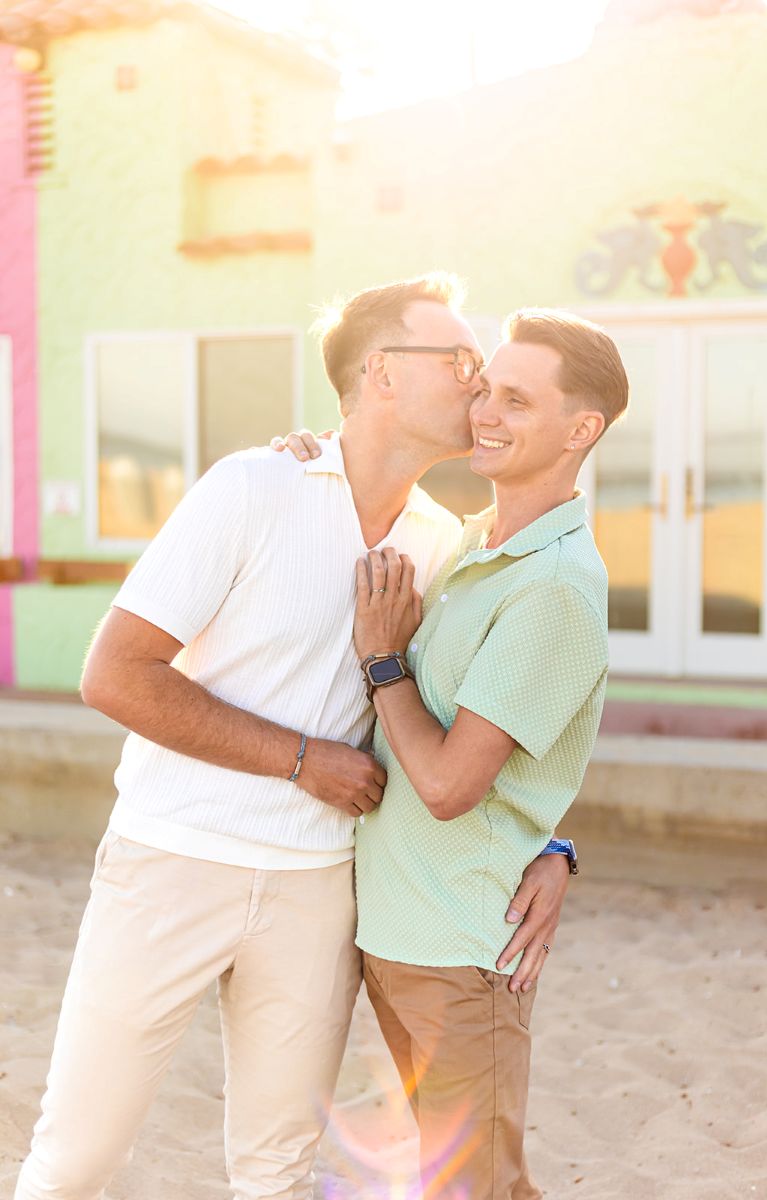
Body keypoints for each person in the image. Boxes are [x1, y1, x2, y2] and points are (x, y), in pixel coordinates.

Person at [14, 274, 571, 1200]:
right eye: (462, 362)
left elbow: (506, 710)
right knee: (78, 1156)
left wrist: (553, 843)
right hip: (170, 861)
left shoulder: (448, 546)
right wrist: (303, 760)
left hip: (321, 889)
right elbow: (114, 674)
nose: (479, 386)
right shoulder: (252, 488)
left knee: (274, 1171)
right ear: (382, 373)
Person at [281, 307, 628, 1198]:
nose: (484, 410)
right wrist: (312, 457)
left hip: (459, 951)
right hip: (397, 936)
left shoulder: (553, 587)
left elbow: (446, 785)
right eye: (484, 389)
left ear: (580, 429)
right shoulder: (478, 543)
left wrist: (384, 660)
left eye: (516, 399)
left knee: (479, 1188)